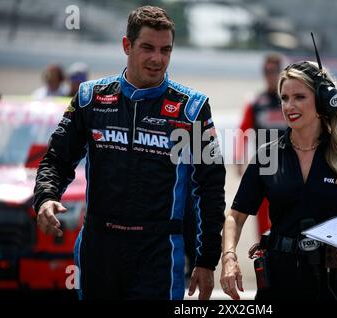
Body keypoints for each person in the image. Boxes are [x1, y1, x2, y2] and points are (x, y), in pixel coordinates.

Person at [33, 6, 226, 300]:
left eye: (165, 50)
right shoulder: (90, 97)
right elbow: (57, 159)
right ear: (127, 45)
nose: (157, 59)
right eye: (147, 47)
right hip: (99, 248)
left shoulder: (193, 108)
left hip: (158, 252)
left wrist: (206, 259)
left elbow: (211, 186)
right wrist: (46, 197)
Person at [220, 61, 337, 300]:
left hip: (333, 281)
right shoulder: (268, 155)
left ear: (322, 101)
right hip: (280, 278)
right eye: (284, 98)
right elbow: (235, 216)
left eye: (299, 97)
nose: (288, 106)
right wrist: (229, 257)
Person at [234, 53, 288, 237]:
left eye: (274, 71)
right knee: (264, 223)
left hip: (291, 167)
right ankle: (266, 258)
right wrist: (239, 159)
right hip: (265, 167)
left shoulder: (292, 102)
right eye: (266, 71)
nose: (270, 75)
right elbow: (242, 131)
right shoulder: (256, 103)